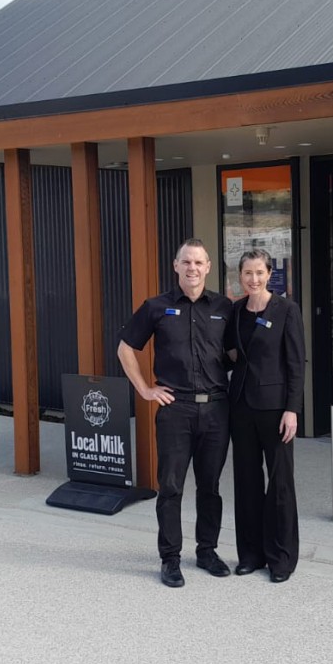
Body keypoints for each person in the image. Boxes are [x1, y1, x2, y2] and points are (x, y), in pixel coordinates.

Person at [118, 239, 234, 588]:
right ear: (176, 265)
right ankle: (170, 559)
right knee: (170, 487)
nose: (193, 268)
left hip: (216, 408)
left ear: (208, 266)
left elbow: (237, 354)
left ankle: (207, 551)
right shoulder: (156, 307)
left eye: (199, 262)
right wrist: (145, 389)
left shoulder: (225, 307)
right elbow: (126, 348)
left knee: (210, 487)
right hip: (175, 409)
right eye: (186, 262)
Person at [225, 248, 305, 583]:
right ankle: (251, 555)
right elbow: (229, 354)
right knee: (246, 482)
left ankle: (281, 558)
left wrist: (292, 409)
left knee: (280, 483)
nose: (253, 279)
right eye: (247, 273)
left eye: (259, 273)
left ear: (269, 273)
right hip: (241, 406)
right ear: (239, 276)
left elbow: (296, 363)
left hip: (275, 409)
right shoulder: (236, 311)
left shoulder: (286, 309)